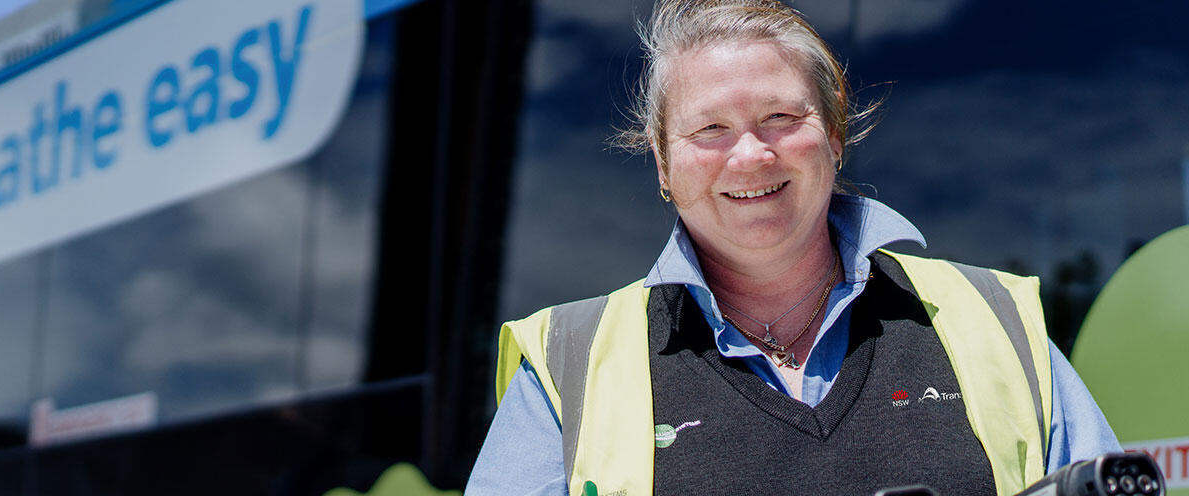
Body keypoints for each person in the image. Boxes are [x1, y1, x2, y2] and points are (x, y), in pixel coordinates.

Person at [468, 0, 1120, 494]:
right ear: (664, 166)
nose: (751, 154)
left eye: (782, 118)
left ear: (834, 136)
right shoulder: (570, 364)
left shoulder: (994, 319)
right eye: (710, 128)